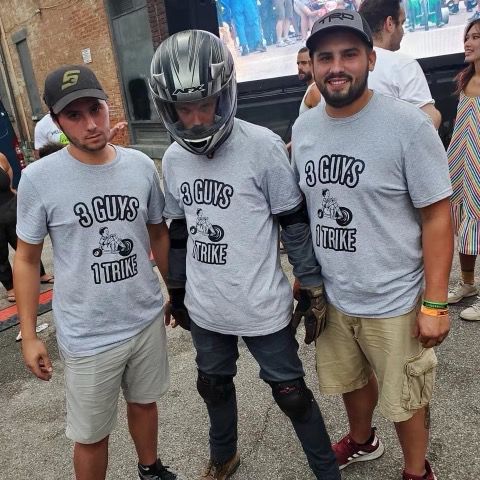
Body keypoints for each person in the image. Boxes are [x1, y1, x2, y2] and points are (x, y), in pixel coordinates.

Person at [150, 29, 340, 480]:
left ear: (225, 94)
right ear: (168, 109)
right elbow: (179, 232)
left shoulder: (262, 147)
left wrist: (311, 283)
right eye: (184, 109)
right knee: (212, 386)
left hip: (260, 306)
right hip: (206, 305)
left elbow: (293, 224)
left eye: (205, 104)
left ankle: (327, 472)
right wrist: (176, 291)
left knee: (291, 393)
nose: (196, 120)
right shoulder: (175, 158)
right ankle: (224, 457)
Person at [292, 10, 452, 480]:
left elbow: (437, 215)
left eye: (349, 54)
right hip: (335, 294)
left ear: (371, 58)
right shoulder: (305, 128)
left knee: (405, 398)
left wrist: (436, 302)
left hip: (396, 297)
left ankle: (416, 470)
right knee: (350, 380)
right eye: (325, 57)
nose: (336, 66)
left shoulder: (407, 126)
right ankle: (363, 440)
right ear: (313, 64)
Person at [14, 64, 179, 480]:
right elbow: (28, 259)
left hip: (143, 319)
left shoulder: (140, 165)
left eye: (96, 109)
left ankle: (150, 468)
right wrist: (30, 333)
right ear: (57, 121)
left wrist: (175, 289)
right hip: (88, 333)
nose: (91, 124)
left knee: (144, 402)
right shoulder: (39, 179)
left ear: (109, 106)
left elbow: (157, 233)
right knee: (91, 435)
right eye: (75, 115)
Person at [359, 0, 442, 129]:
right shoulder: (403, 65)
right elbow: (429, 123)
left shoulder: (346, 67)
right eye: (402, 23)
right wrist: (437, 115)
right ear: (390, 23)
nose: (403, 31)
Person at [447, 18, 480, 320]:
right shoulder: (466, 78)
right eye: (467, 37)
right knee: (464, 221)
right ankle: (467, 284)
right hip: (462, 161)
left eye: (476, 37)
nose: (468, 43)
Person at [0, 153, 53, 303]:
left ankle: (40, 274)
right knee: (0, 254)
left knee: (25, 243)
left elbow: (8, 168)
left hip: (10, 207)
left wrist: (10, 187)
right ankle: (10, 287)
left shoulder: (0, 157)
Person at [34, 112, 127, 159]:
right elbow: (40, 155)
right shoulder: (42, 125)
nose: (91, 126)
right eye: (73, 115)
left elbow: (96, 144)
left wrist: (114, 131)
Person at [297, 46, 322, 113]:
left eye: (304, 63)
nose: (299, 67)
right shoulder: (312, 88)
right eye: (298, 63)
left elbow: (323, 122)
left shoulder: (315, 90)